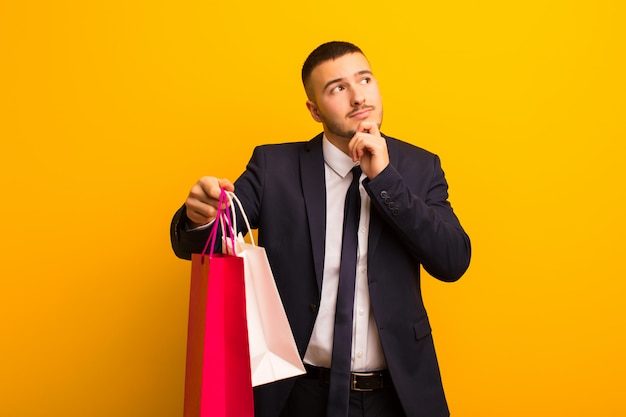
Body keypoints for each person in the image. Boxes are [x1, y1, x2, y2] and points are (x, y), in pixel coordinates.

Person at [170, 41, 471, 417]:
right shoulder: (273, 167)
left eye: (365, 79)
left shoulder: (419, 167)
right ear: (314, 110)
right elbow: (212, 237)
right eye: (338, 88)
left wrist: (385, 180)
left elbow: (453, 261)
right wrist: (202, 217)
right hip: (297, 393)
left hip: (396, 395)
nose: (358, 96)